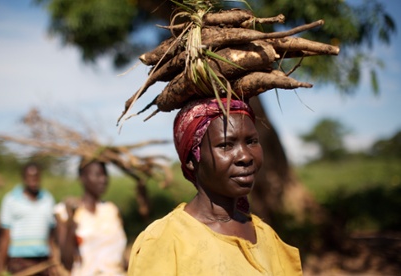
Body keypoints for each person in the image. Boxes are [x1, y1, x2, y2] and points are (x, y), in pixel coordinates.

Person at [127, 97, 302, 275]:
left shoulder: (266, 236)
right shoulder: (165, 240)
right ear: (191, 160)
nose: (245, 156)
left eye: (251, 141)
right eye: (226, 145)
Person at [54, 159, 127, 276]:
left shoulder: (111, 210)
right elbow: (66, 262)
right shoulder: (65, 211)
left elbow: (120, 256)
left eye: (105, 174)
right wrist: (71, 223)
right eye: (97, 175)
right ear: (82, 178)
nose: (103, 179)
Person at [0, 162, 56, 275]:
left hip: (43, 261)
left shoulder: (48, 199)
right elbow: (5, 236)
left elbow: (51, 236)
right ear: (24, 178)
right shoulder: (11, 199)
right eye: (30, 177)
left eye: (36, 176)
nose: (33, 180)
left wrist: (53, 261)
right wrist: (0, 266)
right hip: (19, 261)